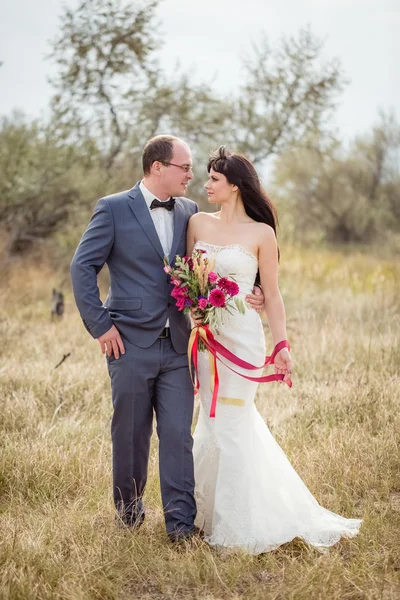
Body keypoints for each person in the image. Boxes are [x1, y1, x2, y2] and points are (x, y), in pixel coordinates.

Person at [70, 135, 264, 542]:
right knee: (131, 432)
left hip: (180, 344)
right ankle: (129, 514)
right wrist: (101, 325)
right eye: (185, 167)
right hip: (128, 342)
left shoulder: (191, 213)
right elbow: (82, 268)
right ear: (157, 167)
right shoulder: (113, 208)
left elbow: (222, 257)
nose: (191, 175)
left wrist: (255, 288)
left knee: (178, 434)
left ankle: (180, 525)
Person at [187, 146, 362, 554]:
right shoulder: (196, 223)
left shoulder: (262, 234)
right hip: (205, 339)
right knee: (209, 421)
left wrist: (282, 344)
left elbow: (274, 295)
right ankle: (201, 513)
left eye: (214, 179)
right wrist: (193, 309)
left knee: (232, 420)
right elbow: (185, 277)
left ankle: (237, 524)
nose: (207, 184)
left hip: (242, 338)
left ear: (234, 185)